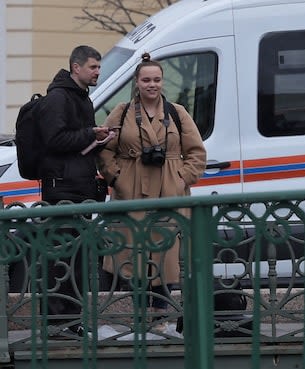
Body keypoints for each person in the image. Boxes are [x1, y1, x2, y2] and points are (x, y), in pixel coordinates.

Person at [98, 57, 208, 338]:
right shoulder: (121, 113)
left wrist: (182, 178)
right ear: (137, 82)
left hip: (168, 192)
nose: (152, 85)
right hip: (130, 192)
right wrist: (117, 178)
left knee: (165, 255)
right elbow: (104, 150)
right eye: (146, 80)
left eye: (157, 79)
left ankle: (160, 318)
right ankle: (138, 317)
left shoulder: (177, 112)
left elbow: (197, 153)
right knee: (133, 255)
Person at [35, 46, 115, 337]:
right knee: (62, 260)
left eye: (98, 67)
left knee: (78, 259)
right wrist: (89, 134)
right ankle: (58, 324)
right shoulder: (58, 98)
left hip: (78, 188)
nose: (97, 72)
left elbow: (77, 144)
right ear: (76, 67)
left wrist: (99, 139)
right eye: (93, 67)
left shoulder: (79, 97)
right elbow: (54, 140)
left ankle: (72, 320)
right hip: (63, 191)